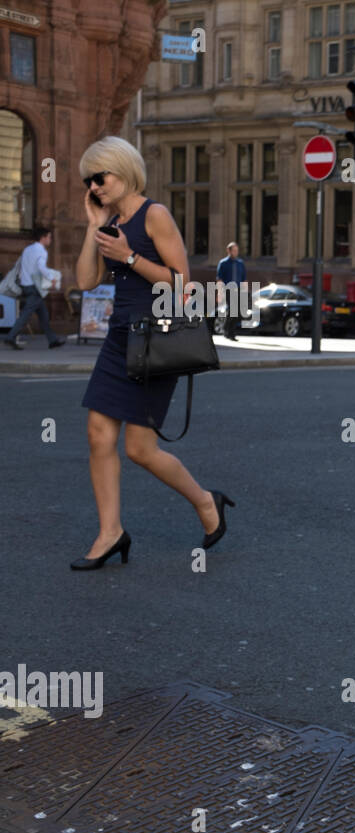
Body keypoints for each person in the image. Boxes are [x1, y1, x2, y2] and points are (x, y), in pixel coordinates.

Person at [73, 136, 233, 570]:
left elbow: (183, 284)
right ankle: (111, 534)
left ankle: (205, 500)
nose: (94, 186)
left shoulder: (154, 215)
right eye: (88, 181)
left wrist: (127, 257)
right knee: (97, 434)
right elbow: (86, 281)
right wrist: (94, 228)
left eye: (99, 177)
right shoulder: (109, 223)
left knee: (140, 450)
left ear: (122, 170)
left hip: (156, 341)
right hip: (119, 339)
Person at [3, 225, 66, 349]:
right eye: (49, 237)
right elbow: (41, 267)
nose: (50, 240)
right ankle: (10, 337)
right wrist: (52, 278)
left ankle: (52, 340)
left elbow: (22, 267)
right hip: (34, 287)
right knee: (26, 314)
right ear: (43, 238)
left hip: (26, 285)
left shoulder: (28, 249)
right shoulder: (41, 251)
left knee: (43, 314)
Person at [215, 241, 247, 340]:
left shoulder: (240, 263)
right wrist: (219, 293)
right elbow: (219, 279)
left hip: (238, 290)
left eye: (237, 251)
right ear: (228, 251)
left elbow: (244, 279)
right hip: (228, 290)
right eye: (234, 250)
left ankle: (226, 329)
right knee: (233, 310)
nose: (236, 252)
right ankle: (230, 333)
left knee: (238, 312)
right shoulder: (223, 263)